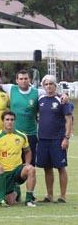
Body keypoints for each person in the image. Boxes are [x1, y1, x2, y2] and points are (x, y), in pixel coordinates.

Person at [36, 75, 73, 203]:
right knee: (47, 167)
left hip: (58, 139)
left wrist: (66, 138)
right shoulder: (40, 99)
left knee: (61, 167)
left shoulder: (62, 100)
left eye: (51, 84)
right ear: (43, 86)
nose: (49, 86)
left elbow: (69, 120)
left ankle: (62, 196)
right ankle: (49, 195)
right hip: (43, 139)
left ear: (55, 85)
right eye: (46, 84)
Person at [0, 111, 37, 207]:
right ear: (2, 121)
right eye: (7, 119)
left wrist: (27, 163)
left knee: (31, 169)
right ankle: (15, 190)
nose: (10, 122)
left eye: (12, 120)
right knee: (11, 202)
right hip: (4, 173)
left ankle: (29, 199)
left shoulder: (21, 136)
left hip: (18, 171)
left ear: (15, 121)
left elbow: (28, 151)